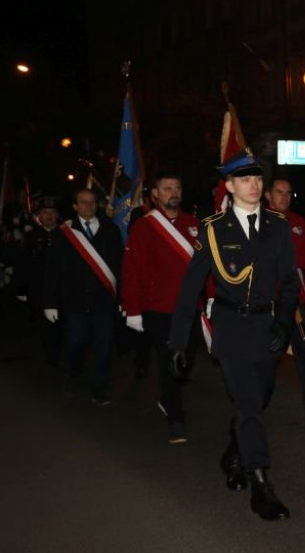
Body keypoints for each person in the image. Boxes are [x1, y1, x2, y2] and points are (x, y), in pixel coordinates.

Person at [168, 149, 299, 521]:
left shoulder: (277, 226)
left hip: (266, 327)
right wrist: (178, 342)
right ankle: (260, 483)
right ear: (229, 186)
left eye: (258, 179)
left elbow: (289, 283)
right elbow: (191, 288)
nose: (254, 186)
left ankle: (234, 453)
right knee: (248, 406)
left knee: (259, 397)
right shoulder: (213, 229)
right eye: (245, 179)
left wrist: (284, 324)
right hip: (230, 327)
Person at [121, 172, 200, 443]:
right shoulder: (144, 227)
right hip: (159, 309)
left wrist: (211, 298)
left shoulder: (194, 224)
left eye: (177, 187)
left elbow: (206, 267)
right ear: (155, 194)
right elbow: (131, 271)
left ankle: (169, 399)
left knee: (186, 360)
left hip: (189, 310)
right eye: (167, 188)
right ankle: (175, 417)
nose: (173, 192)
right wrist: (132, 309)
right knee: (171, 363)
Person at [43, 188, 124, 405]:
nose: (88, 206)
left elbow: (119, 266)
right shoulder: (63, 233)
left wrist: (122, 298)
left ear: (97, 204)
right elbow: (53, 270)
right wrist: (50, 302)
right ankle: (73, 372)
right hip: (75, 300)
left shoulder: (111, 230)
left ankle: (98, 389)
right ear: (74, 206)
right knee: (75, 343)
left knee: (103, 346)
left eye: (92, 202)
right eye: (83, 202)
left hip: (103, 301)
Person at [264, 177, 305, 395]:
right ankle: (258, 400)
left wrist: (284, 258)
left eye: (288, 193)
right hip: (267, 300)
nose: (284, 197)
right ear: (268, 195)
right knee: (268, 353)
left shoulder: (297, 222)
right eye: (279, 192)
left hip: (295, 299)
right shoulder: (259, 221)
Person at [16, 196, 61, 365]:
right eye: (44, 213)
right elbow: (22, 265)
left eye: (52, 213)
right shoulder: (30, 237)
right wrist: (22, 290)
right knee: (43, 323)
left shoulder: (67, 236)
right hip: (38, 288)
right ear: (39, 217)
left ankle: (57, 349)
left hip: (61, 289)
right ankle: (50, 352)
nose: (49, 216)